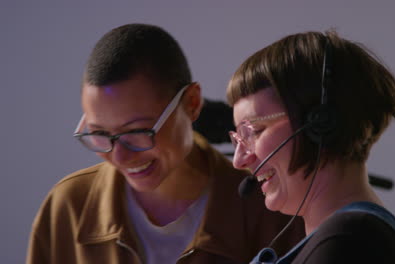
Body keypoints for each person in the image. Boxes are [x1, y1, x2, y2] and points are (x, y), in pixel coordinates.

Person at [26, 23, 304, 264]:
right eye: (99, 133)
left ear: (192, 104)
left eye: (137, 131)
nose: (119, 156)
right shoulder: (68, 208)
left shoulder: (268, 209)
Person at [226, 30, 395, 263]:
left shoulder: (348, 243)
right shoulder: (352, 237)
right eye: (238, 139)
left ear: (319, 123)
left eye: (254, 132)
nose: (239, 160)